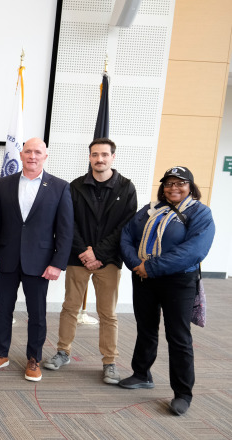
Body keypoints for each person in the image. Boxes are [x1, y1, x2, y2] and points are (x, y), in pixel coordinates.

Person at [119, 166, 215, 416]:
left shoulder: (200, 213)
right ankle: (141, 374)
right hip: (144, 277)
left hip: (178, 281)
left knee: (178, 336)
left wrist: (150, 267)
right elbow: (127, 235)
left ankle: (183, 394)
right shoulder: (151, 209)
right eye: (169, 183)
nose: (174, 188)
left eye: (180, 183)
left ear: (190, 187)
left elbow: (193, 250)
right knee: (146, 328)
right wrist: (137, 265)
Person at [43, 138, 137, 384]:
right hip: (78, 258)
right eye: (95, 155)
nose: (99, 159)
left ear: (113, 157)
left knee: (108, 313)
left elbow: (125, 227)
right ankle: (63, 352)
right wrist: (85, 252)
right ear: (89, 157)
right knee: (70, 307)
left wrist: (99, 254)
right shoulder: (75, 186)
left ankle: (109, 362)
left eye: (104, 155)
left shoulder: (126, 188)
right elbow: (67, 223)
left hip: (109, 260)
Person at [0, 137, 73, 382]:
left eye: (38, 152)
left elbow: (65, 231)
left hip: (41, 263)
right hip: (5, 259)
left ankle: (34, 359)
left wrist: (57, 263)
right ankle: (0, 354)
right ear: (21, 155)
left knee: (37, 314)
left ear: (45, 156)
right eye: (28, 151)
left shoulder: (60, 187)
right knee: (3, 310)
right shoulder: (4, 184)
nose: (32, 156)